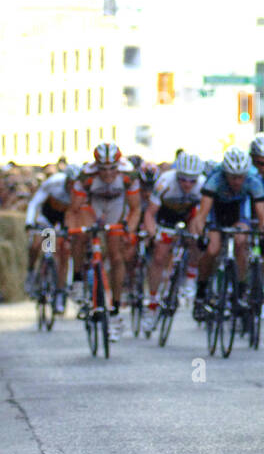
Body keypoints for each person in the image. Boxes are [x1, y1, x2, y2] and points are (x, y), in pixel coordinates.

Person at [67, 143, 142, 340]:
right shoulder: (86, 175)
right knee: (81, 234)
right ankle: (77, 279)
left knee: (117, 257)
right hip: (93, 206)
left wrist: (128, 229)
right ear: (96, 166)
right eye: (103, 169)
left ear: (119, 165)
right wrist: (76, 229)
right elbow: (75, 208)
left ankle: (115, 308)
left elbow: (136, 209)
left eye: (112, 168)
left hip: (116, 208)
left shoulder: (129, 175)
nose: (108, 173)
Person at [189, 147, 264, 318]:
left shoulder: (253, 179)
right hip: (217, 213)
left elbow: (263, 216)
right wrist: (201, 233)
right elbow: (202, 213)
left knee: (241, 242)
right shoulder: (215, 179)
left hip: (239, 213)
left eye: (241, 177)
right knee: (212, 249)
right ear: (225, 173)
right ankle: (201, 291)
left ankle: (240, 290)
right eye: (233, 177)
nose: (237, 181)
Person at [140, 152, 206, 334]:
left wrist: (197, 232)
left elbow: (202, 215)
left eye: (192, 180)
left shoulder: (202, 184)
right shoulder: (165, 182)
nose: (187, 184)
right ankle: (152, 304)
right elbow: (149, 214)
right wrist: (154, 234)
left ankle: (191, 278)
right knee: (159, 256)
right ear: (177, 175)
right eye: (183, 179)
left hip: (188, 215)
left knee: (196, 236)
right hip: (164, 218)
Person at [24, 163, 78, 313]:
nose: (72, 186)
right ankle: (31, 272)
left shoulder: (80, 191)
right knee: (36, 245)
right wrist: (29, 222)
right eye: (70, 183)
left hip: (64, 220)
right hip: (47, 217)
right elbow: (35, 202)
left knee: (64, 253)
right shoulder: (54, 182)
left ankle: (60, 292)